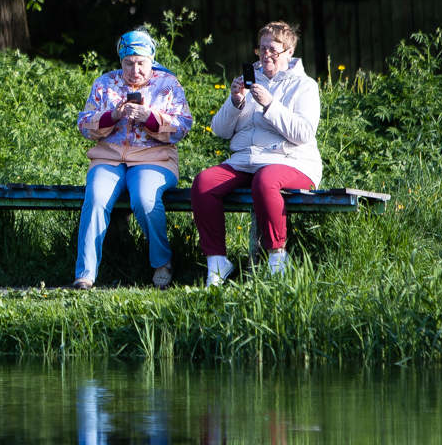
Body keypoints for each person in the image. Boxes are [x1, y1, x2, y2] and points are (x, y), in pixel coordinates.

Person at [191, 21, 321, 287]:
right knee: (204, 182)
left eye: (273, 50)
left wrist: (271, 105)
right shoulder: (250, 82)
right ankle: (217, 263)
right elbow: (220, 130)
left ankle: (277, 259)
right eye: (262, 49)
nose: (266, 56)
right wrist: (235, 102)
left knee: (266, 179)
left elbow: (303, 133)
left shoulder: (305, 86)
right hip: (245, 161)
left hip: (291, 161)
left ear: (289, 51)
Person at [73, 30, 193, 290]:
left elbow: (183, 126)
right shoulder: (105, 83)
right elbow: (83, 124)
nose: (135, 70)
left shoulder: (168, 84)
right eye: (128, 63)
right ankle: (85, 273)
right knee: (95, 198)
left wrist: (149, 117)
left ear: (151, 60)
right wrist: (112, 117)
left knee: (144, 197)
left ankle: (162, 262)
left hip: (155, 159)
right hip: (108, 157)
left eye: (141, 63)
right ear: (120, 62)